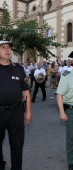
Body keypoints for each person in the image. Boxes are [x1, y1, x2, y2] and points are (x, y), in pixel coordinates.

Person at [0, 38, 32, 170]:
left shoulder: (18, 69)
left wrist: (28, 112)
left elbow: (26, 92)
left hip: (16, 113)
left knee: (17, 145)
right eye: (3, 47)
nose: (7, 50)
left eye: (9, 47)